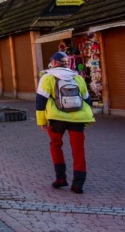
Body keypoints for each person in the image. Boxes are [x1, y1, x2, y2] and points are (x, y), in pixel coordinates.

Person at [36, 50, 96, 193]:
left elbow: (41, 100)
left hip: (57, 118)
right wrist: (86, 119)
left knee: (56, 146)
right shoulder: (77, 78)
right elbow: (87, 100)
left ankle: (61, 178)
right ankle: (78, 184)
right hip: (78, 119)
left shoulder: (47, 77)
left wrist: (41, 120)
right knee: (78, 149)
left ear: (54, 63)